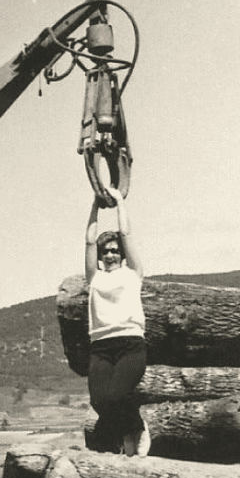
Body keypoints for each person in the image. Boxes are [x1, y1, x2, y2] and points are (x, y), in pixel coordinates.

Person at [84, 185, 150, 457]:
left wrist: (120, 201)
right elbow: (88, 241)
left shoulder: (134, 273)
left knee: (117, 395)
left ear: (122, 254)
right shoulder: (94, 278)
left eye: (114, 250)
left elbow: (126, 234)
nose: (109, 254)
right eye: (105, 252)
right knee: (99, 400)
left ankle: (137, 427)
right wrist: (95, 205)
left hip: (130, 344)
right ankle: (127, 430)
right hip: (101, 346)